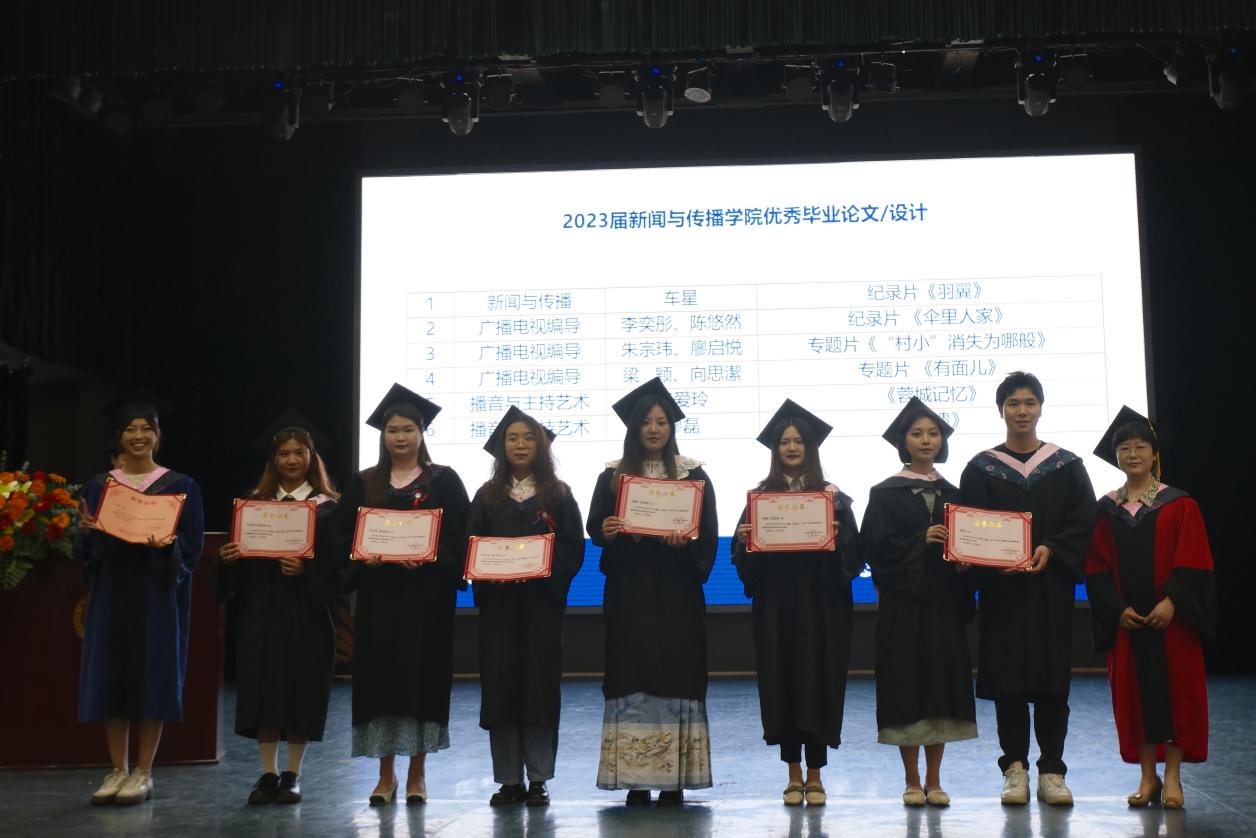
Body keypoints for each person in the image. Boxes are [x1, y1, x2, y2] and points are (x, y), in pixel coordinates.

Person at [958, 371, 1096, 806]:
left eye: (1030, 402)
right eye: (1014, 403)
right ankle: (1014, 769)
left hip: (1049, 589)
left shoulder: (1067, 465)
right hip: (1003, 594)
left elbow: (1083, 521)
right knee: (1009, 683)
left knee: (1053, 683)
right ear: (1001, 410)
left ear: (1040, 408)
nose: (1022, 410)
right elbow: (969, 527)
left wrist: (1052, 549)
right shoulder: (981, 468)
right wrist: (990, 562)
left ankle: (1052, 770)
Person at [333, 383, 469, 805]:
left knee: (421, 681)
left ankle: (417, 775)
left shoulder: (444, 481)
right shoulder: (364, 482)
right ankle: (385, 775)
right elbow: (342, 538)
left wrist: (430, 556)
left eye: (408, 429)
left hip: (426, 602)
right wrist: (362, 558)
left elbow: (461, 536)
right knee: (380, 682)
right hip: (379, 600)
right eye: (393, 430)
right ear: (383, 435)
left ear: (422, 432)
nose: (400, 437)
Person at [587, 378, 718, 806]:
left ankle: (674, 780)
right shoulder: (612, 477)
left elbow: (707, 535)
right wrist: (607, 530)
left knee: (676, 674)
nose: (654, 429)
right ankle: (636, 780)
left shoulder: (693, 475)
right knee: (632, 676)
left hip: (677, 593)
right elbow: (596, 526)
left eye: (661, 421)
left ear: (671, 427)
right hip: (630, 592)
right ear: (634, 428)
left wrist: (686, 542)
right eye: (646, 422)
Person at [75, 389, 205, 806]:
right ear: (119, 436)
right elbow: (86, 553)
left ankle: (144, 771)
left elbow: (192, 549)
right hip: (112, 592)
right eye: (130, 429)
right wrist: (86, 534)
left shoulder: (180, 486)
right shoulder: (100, 487)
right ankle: (117, 769)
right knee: (110, 677)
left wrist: (168, 546)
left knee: (153, 677)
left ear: (158, 435)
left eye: (146, 428)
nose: (138, 436)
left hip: (156, 594)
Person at [731, 400, 861, 807]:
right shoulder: (760, 498)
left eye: (799, 441)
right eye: (784, 442)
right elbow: (744, 561)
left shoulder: (833, 499)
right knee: (783, 682)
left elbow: (854, 560)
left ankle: (816, 776)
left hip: (822, 609)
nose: (791, 447)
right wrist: (744, 541)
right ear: (775, 448)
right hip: (777, 609)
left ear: (810, 447)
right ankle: (792, 775)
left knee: (818, 682)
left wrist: (839, 538)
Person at [1085, 407, 1215, 810]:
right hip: (1128, 621)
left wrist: (1173, 602)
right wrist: (1116, 609)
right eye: (1124, 448)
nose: (1132, 454)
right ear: (1116, 457)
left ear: (1154, 454)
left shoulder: (1180, 504)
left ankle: (1172, 777)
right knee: (1134, 698)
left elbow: (1195, 560)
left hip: (1171, 622)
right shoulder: (1105, 509)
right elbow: (1096, 565)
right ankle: (1147, 777)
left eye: (1140, 446)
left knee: (1176, 695)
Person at [217, 409, 341, 804]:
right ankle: (268, 773)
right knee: (263, 686)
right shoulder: (253, 506)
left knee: (302, 687)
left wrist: (307, 570)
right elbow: (237, 566)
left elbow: (339, 566)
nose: (291, 459)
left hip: (306, 612)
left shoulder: (328, 507)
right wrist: (230, 558)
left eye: (299, 452)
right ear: (273, 459)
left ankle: (293, 773)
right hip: (262, 609)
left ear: (311, 457)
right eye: (283, 453)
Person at [466, 407, 586, 807]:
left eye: (528, 437)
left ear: (541, 445)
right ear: (502, 446)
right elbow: (472, 546)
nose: (520, 444)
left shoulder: (558, 495)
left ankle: (538, 778)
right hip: (499, 611)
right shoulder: (487, 496)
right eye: (512, 438)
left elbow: (572, 548)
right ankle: (508, 780)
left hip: (540, 610)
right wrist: (490, 575)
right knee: (500, 690)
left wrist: (544, 574)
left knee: (538, 688)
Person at [861, 397, 976, 808]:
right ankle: (911, 780)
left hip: (943, 607)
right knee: (906, 688)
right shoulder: (884, 493)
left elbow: (972, 544)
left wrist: (966, 565)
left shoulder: (956, 494)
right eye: (917, 433)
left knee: (940, 688)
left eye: (933, 433)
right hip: (903, 609)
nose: (926, 440)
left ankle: (935, 779)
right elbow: (874, 549)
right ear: (903, 441)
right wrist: (919, 540)